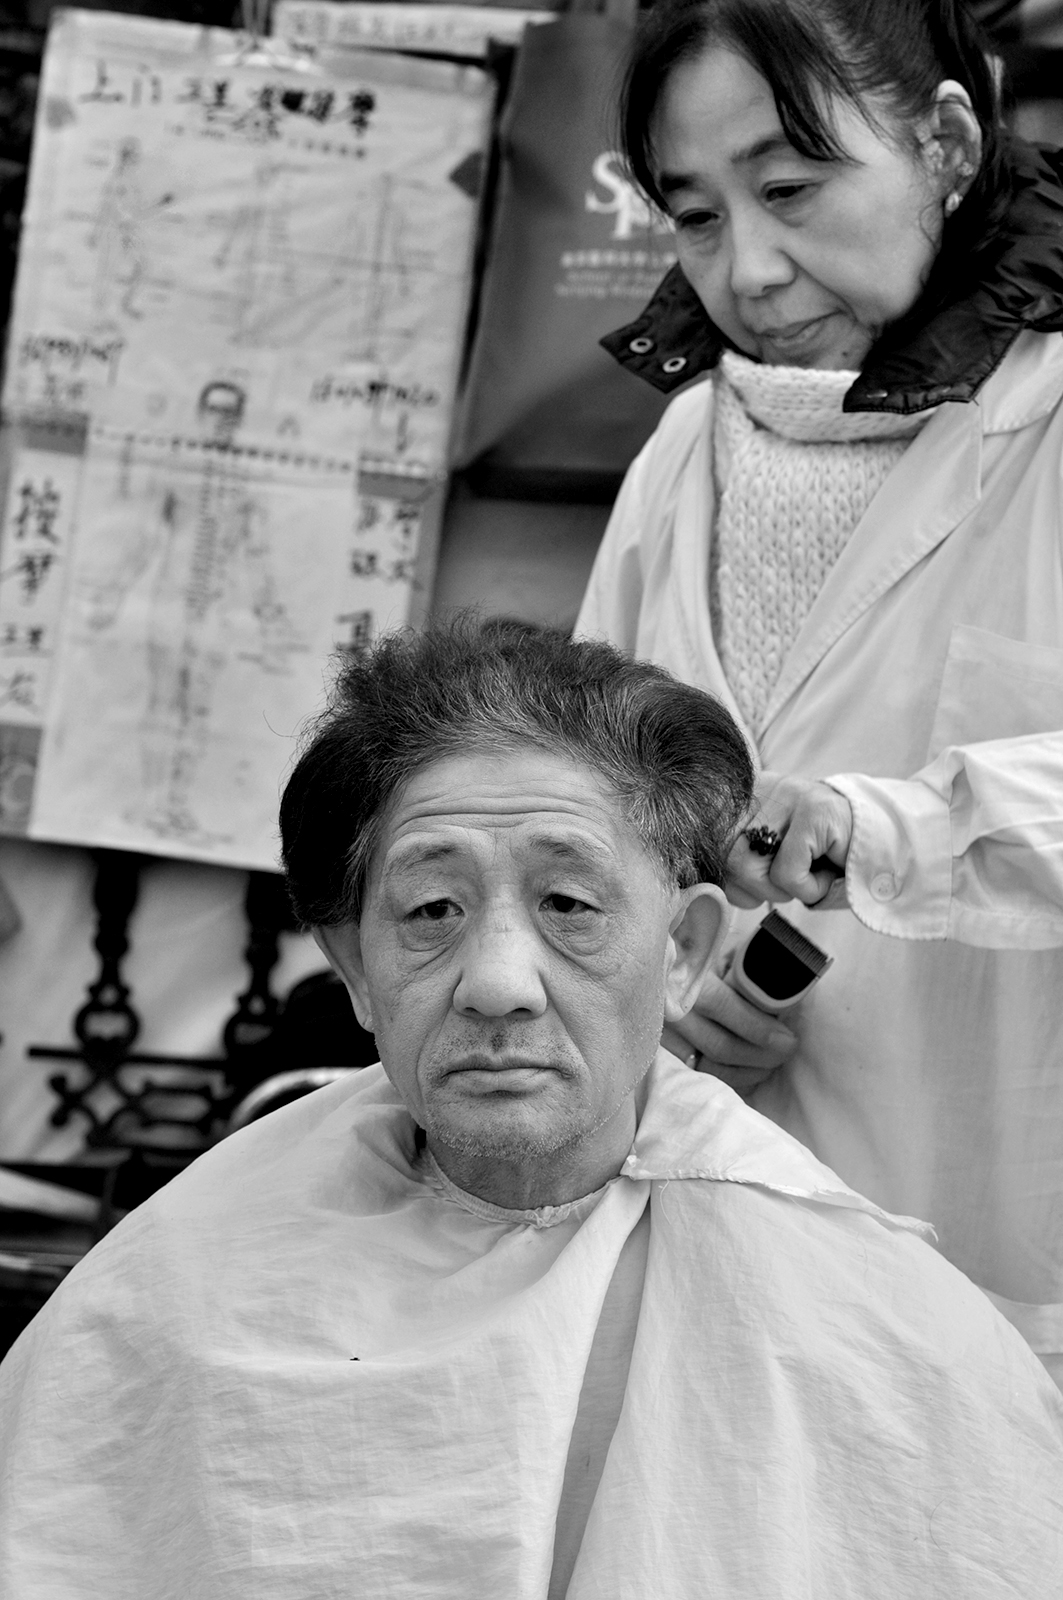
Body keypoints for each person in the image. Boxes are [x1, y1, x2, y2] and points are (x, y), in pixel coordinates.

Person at [1, 620, 1061, 1598]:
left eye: (569, 905)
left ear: (683, 949)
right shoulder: (172, 1293)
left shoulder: (886, 1331)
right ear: (354, 970)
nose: (498, 980)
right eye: (431, 910)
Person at [576, 0, 1063, 1384]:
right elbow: (596, 797)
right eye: (693, 216)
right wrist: (656, 981)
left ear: (946, 141)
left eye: (788, 190)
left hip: (1006, 1244)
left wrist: (892, 827)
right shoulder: (681, 448)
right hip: (735, 1244)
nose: (751, 270)